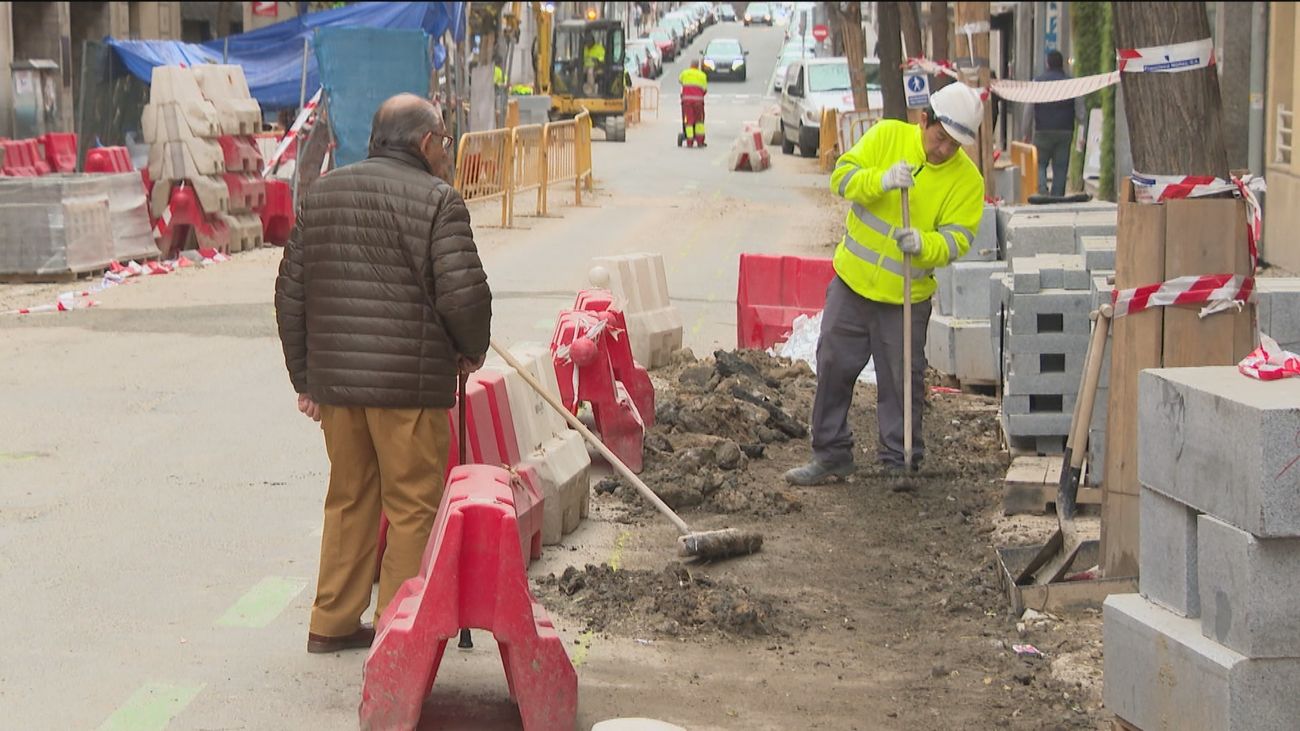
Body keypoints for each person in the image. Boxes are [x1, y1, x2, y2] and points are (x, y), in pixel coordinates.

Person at [275, 93, 493, 653]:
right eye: (444, 141)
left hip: (339, 390)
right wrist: (471, 350)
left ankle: (332, 623)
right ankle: (401, 637)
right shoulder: (438, 201)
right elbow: (463, 295)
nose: (446, 151)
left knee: (349, 498)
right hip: (408, 388)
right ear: (425, 143)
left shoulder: (321, 195)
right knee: (412, 506)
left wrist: (306, 379)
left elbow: (290, 295)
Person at [784, 82, 986, 486]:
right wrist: (881, 181)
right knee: (833, 364)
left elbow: (957, 239)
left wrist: (924, 244)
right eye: (941, 139)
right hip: (853, 284)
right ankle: (831, 454)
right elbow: (841, 179)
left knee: (902, 380)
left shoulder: (968, 182)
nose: (944, 150)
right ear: (924, 119)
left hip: (905, 298)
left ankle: (900, 459)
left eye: (955, 146)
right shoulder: (887, 136)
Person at [1023, 50, 1086, 197]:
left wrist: (1025, 132)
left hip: (1042, 130)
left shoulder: (1037, 82)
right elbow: (1081, 111)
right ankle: (1057, 196)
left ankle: (1042, 191)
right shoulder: (1072, 83)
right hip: (1065, 130)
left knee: (1040, 163)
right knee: (1061, 166)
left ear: (1047, 63)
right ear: (1062, 64)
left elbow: (1028, 109)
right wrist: (1081, 133)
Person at [678, 59, 708, 147]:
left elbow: (680, 80)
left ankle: (689, 141)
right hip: (698, 102)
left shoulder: (685, 73)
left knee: (689, 121)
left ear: (691, 65)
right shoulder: (702, 75)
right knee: (699, 121)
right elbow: (704, 90)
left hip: (686, 101)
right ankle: (700, 141)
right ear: (698, 66)